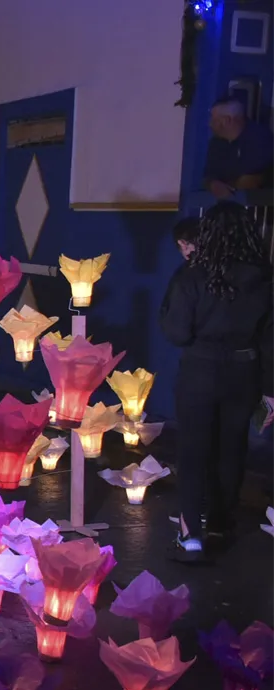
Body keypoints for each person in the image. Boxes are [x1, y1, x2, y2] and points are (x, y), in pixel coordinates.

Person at [160, 201, 274, 561]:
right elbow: (271, 340)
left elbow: (177, 332)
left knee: (193, 452)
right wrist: (271, 392)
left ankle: (190, 536)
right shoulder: (265, 277)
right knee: (232, 449)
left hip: (201, 369)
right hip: (245, 371)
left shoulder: (193, 275)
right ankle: (222, 522)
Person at [204, 98, 274, 199]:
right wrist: (213, 184)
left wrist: (226, 187)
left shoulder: (259, 137)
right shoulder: (216, 143)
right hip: (228, 209)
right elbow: (208, 177)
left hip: (257, 207)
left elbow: (251, 181)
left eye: (213, 119)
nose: (210, 124)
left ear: (226, 120)